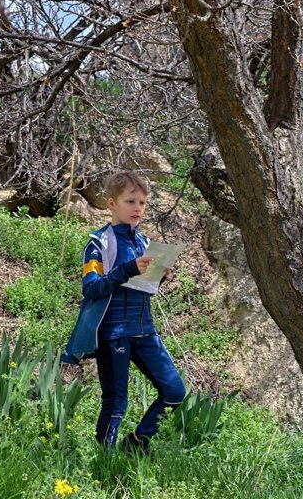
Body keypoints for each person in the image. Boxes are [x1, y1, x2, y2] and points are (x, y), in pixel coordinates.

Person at [63, 171, 185, 454]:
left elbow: (144, 287)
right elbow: (91, 289)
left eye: (142, 203)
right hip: (113, 333)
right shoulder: (98, 242)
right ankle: (104, 462)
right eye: (130, 201)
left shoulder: (145, 243)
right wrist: (129, 269)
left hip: (145, 331)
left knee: (175, 392)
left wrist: (160, 275)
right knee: (116, 403)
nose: (138, 208)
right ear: (111, 204)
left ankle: (135, 444)